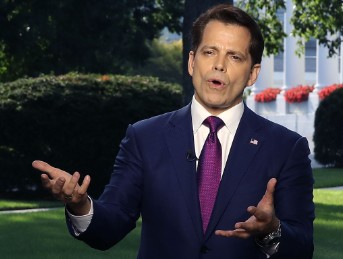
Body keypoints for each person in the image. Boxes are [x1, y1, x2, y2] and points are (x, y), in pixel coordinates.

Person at [32, 4, 314, 259]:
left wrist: (271, 230)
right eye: (209, 52)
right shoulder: (144, 138)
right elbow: (111, 224)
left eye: (234, 56)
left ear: (252, 73)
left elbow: (301, 249)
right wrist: (81, 206)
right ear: (193, 62)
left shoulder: (286, 148)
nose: (219, 64)